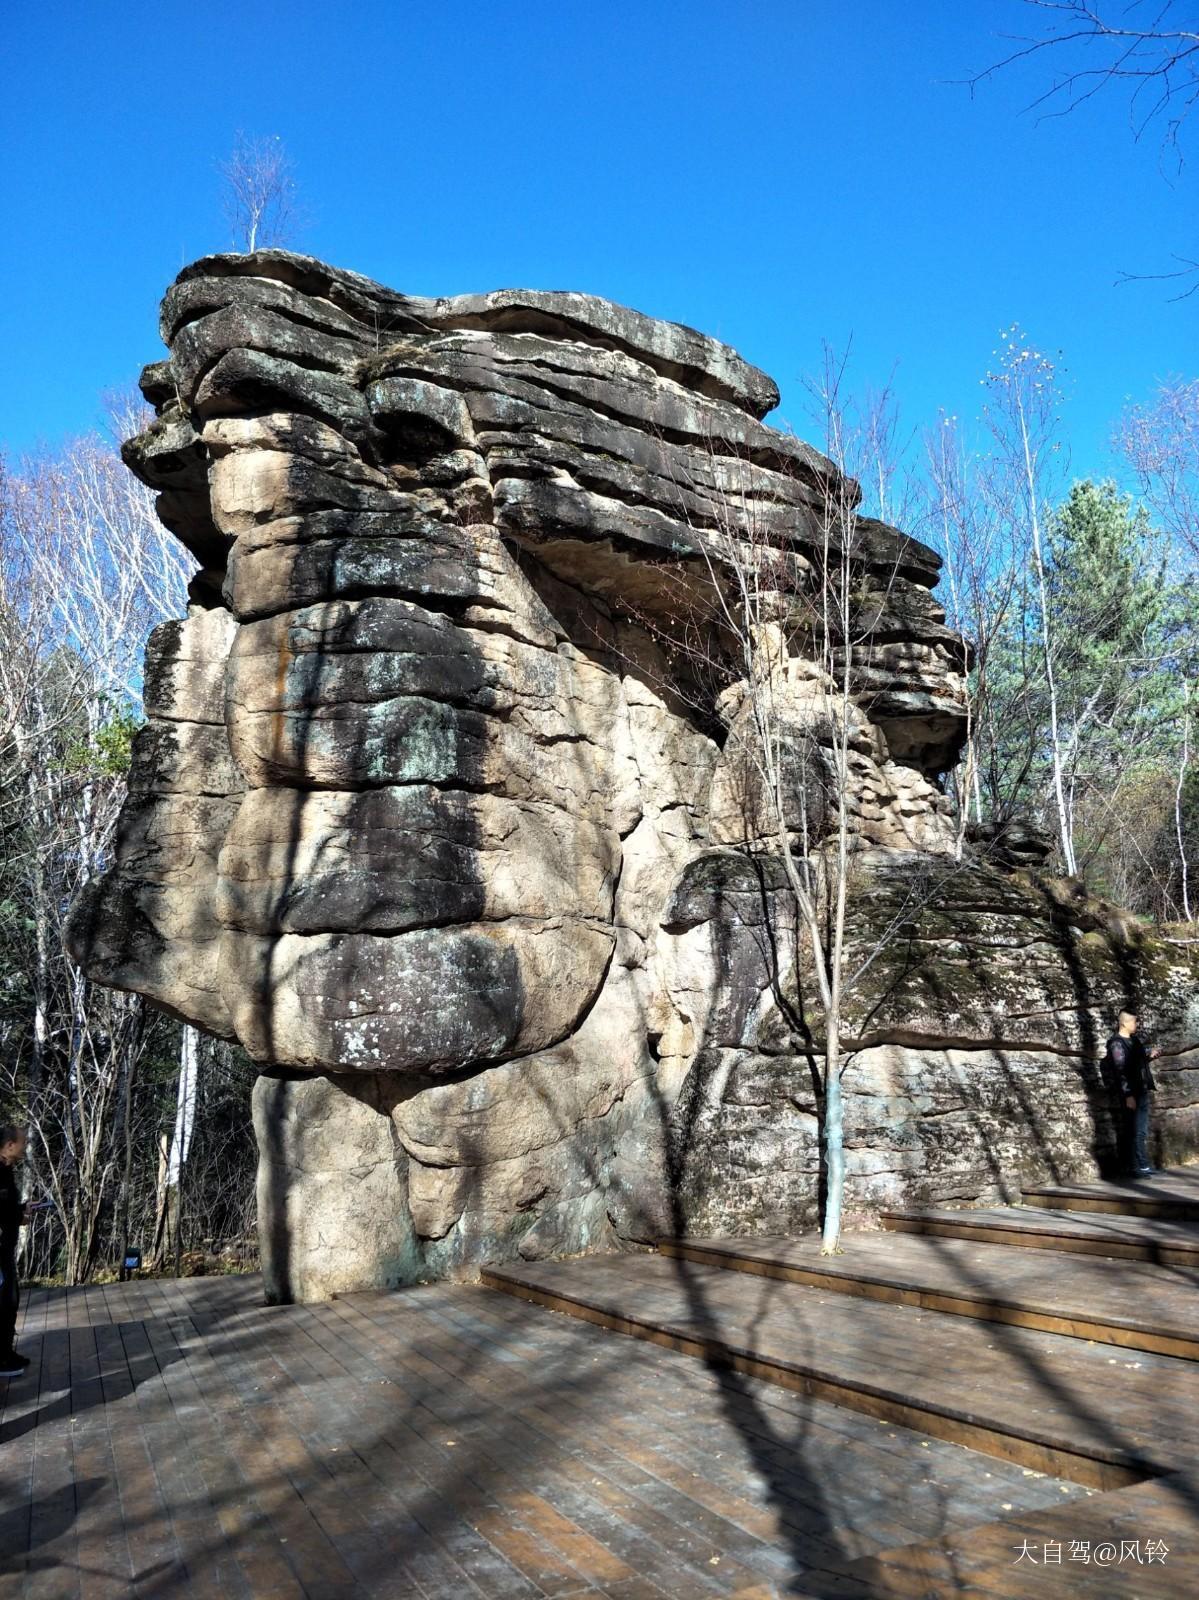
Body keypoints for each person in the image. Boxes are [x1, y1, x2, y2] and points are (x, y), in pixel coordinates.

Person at [1104, 1010, 1160, 1179]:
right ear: (1124, 1023)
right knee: (1132, 1130)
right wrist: (1128, 1095)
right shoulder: (1116, 1043)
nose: (1137, 1024)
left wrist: (1149, 1055)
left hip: (1141, 1091)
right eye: (1134, 1021)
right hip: (1131, 1094)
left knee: (1141, 1131)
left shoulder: (1134, 1041)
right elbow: (1120, 1070)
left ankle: (1143, 1165)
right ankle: (1132, 1167)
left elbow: (1135, 1061)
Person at [0, 1124, 32, 1378]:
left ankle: (6, 1353)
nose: (25, 1146)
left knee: (10, 1301)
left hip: (5, 1247)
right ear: (10, 1145)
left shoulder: (7, 1170)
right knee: (4, 1301)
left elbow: (6, 1206)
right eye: (23, 1142)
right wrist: (16, 1217)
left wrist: (20, 1210)